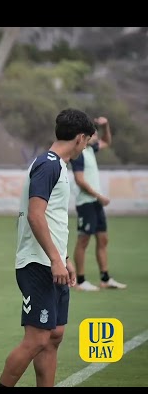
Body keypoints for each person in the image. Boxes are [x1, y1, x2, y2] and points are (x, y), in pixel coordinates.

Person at [0, 108, 96, 387]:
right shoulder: (48, 164)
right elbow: (35, 214)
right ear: (79, 138)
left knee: (54, 336)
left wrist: (63, 257)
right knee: (36, 339)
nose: (86, 146)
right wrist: (55, 259)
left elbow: (51, 218)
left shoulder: (59, 166)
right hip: (37, 264)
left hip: (52, 262)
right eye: (87, 141)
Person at [70, 116, 127, 291]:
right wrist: (99, 196)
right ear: (84, 136)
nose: (96, 136)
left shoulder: (90, 150)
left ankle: (105, 278)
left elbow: (107, 142)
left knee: (103, 239)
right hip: (86, 202)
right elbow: (79, 180)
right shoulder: (78, 154)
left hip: (95, 203)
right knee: (83, 240)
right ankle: (80, 281)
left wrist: (106, 126)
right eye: (93, 133)